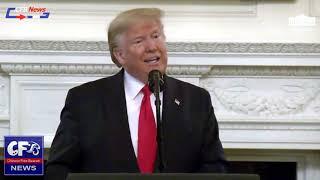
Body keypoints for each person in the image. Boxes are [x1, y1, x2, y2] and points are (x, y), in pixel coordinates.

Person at [45, 8, 227, 180]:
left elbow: (215, 169)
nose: (152, 47)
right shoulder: (84, 100)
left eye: (156, 36)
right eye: (139, 41)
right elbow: (58, 169)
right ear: (120, 55)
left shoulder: (197, 100)